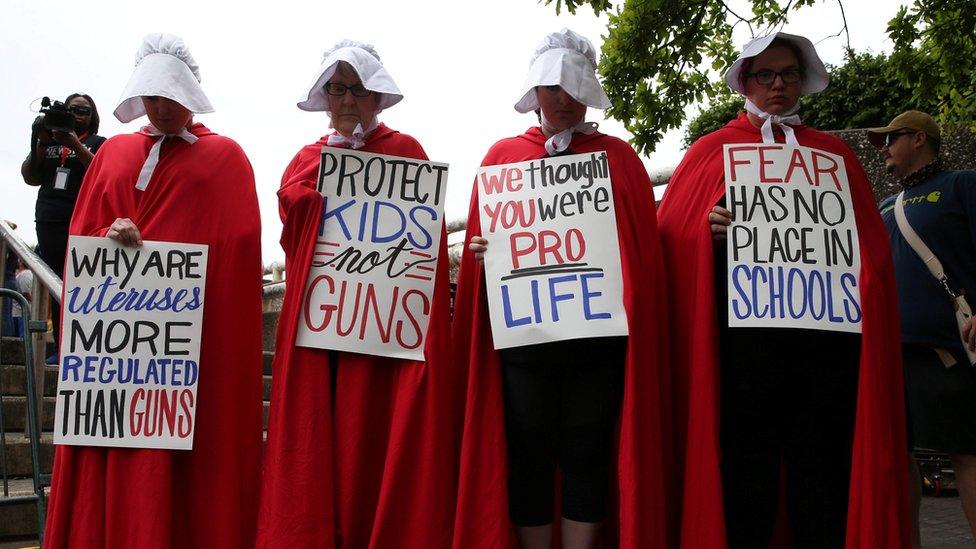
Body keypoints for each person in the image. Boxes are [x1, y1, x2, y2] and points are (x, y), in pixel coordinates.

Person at [657, 32, 909, 548]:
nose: (777, 85)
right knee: (749, 464)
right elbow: (670, 235)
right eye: (765, 75)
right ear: (745, 83)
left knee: (822, 464)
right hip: (744, 348)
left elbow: (870, 250)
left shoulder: (832, 155)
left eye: (788, 74)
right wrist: (706, 228)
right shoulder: (711, 151)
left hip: (826, 348)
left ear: (802, 82)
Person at [454, 29, 673, 549]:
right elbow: (482, 248)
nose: (564, 97)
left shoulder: (619, 160)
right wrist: (483, 252)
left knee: (587, 450)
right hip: (524, 342)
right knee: (528, 451)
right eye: (552, 85)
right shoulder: (501, 158)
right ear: (535, 90)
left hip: (598, 343)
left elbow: (643, 250)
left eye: (574, 86)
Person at [43, 33, 263, 548]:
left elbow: (236, 262)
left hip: (188, 356)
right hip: (121, 360)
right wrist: (108, 238)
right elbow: (83, 247)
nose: (162, 106)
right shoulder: (113, 154)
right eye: (152, 95)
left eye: (171, 94)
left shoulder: (225, 159)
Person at [257, 40, 461, 548]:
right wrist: (308, 197)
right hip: (326, 330)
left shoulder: (407, 153)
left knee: (373, 438)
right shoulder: (308, 158)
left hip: (386, 334)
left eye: (358, 89)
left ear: (376, 97)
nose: (347, 99)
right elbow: (293, 225)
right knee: (322, 442)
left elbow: (423, 249)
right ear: (325, 98)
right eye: (337, 88)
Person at [873, 110, 976, 545]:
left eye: (890, 139)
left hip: (948, 349)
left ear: (919, 138)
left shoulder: (962, 184)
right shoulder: (883, 207)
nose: (882, 150)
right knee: (899, 459)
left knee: (968, 454)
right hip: (892, 354)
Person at [22, 92, 106, 363]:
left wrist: (75, 145)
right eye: (73, 110)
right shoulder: (48, 141)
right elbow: (30, 176)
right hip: (48, 219)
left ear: (93, 117)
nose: (78, 115)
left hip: (81, 220)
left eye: (84, 111)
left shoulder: (98, 143)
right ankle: (60, 348)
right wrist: (39, 142)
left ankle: (78, 348)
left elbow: (102, 173)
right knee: (55, 282)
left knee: (78, 285)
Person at [11, 259, 33, 338]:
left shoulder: (24, 275)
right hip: (21, 312)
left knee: (21, 337)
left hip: (19, 312)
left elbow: (25, 292)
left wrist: (33, 303)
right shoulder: (29, 274)